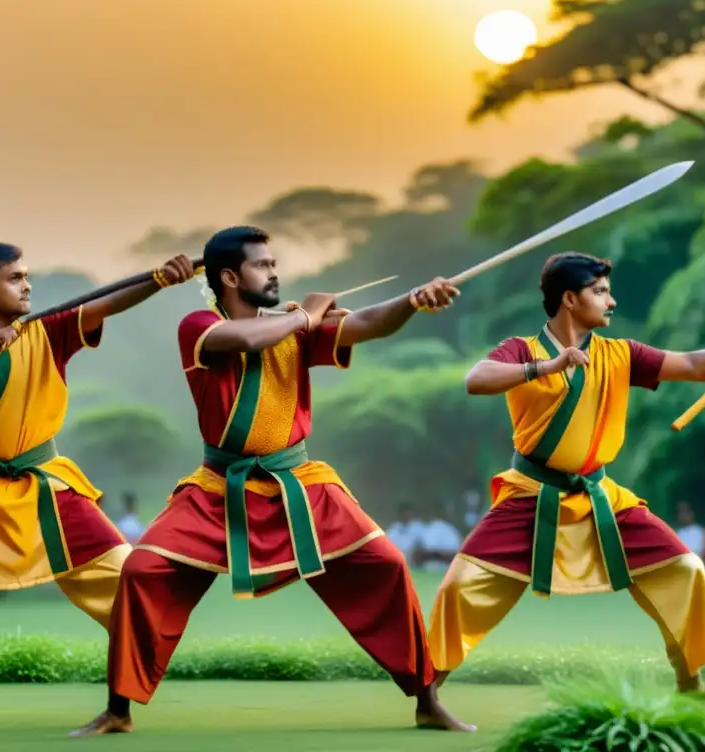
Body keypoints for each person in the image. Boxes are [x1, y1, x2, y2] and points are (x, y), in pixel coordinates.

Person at [71, 226, 474, 737]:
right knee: (142, 572)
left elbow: (371, 322)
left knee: (388, 566)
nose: (275, 272)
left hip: (299, 481)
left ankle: (426, 698)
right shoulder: (199, 325)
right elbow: (245, 339)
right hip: (219, 486)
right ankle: (118, 710)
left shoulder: (294, 326)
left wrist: (415, 301)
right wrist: (304, 316)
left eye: (273, 262)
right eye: (263, 265)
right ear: (229, 277)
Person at [427, 251, 705, 709]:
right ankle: (427, 695)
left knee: (686, 570)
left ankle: (691, 685)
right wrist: (546, 368)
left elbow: (692, 366)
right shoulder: (522, 349)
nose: (610, 302)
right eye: (600, 292)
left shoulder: (620, 354)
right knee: (458, 587)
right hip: (531, 495)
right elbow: (478, 378)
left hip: (601, 496)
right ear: (570, 299)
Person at [0, 242, 195, 733]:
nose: (27, 286)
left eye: (27, 277)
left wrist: (160, 278)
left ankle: (119, 711)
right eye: (14, 278)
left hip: (49, 487)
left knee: (133, 583)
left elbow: (110, 301)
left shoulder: (51, 329)